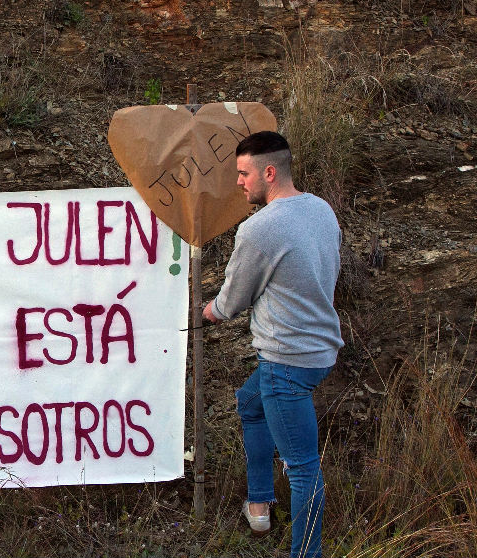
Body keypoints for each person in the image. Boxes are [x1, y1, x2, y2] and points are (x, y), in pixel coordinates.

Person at [203, 131, 343, 558]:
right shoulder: (320, 209)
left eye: (244, 174)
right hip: (320, 350)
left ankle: (306, 554)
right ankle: (259, 503)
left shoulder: (258, 230)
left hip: (286, 360)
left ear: (269, 172)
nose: (239, 183)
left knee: (303, 470)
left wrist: (205, 312)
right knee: (249, 403)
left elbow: (232, 301)